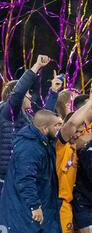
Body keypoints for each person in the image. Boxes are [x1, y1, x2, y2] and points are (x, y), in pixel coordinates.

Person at [0, 110, 63, 233]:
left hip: (21, 205)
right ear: (44, 129)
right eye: (57, 125)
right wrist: (34, 206)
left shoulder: (39, 141)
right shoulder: (30, 147)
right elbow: (25, 179)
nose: (60, 129)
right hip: (22, 206)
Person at [51, 94, 92, 233]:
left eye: (81, 132)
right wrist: (90, 103)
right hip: (56, 202)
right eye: (77, 132)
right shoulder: (60, 145)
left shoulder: (73, 147)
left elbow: (90, 135)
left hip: (66, 204)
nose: (79, 134)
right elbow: (72, 122)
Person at [0, 55, 57, 193]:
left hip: (21, 178)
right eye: (28, 93)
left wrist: (53, 92)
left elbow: (44, 122)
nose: (30, 96)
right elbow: (18, 92)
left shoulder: (28, 117)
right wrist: (36, 67)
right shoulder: (8, 113)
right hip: (6, 181)